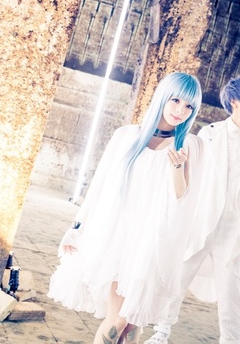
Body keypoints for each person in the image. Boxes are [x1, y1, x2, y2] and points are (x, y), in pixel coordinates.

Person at [48, 72, 204, 344]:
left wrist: (177, 167)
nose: (181, 110)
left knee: (132, 326)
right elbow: (99, 187)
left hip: (153, 245)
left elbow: (184, 198)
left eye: (189, 105)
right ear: (162, 97)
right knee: (117, 320)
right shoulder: (126, 136)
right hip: (119, 243)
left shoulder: (190, 144)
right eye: (175, 100)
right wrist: (76, 229)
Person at [144, 74, 240, 344]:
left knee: (232, 291)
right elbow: (192, 179)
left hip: (235, 227)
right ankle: (161, 332)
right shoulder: (209, 134)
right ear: (234, 100)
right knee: (178, 276)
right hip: (201, 220)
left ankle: (232, 341)